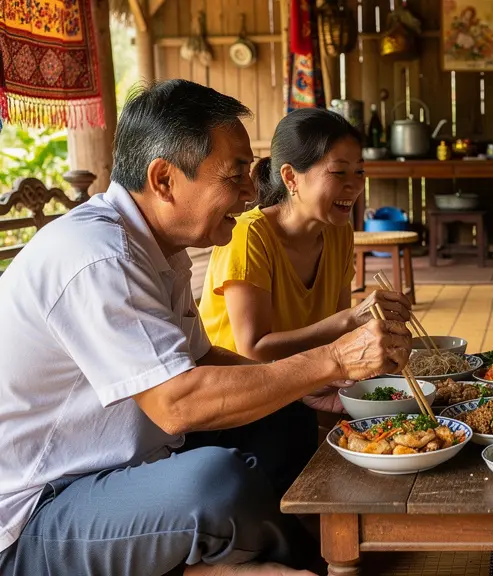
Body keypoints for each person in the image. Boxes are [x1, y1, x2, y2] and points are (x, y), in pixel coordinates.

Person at [0, 80, 411, 576]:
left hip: (125, 471)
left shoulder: (155, 251)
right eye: (235, 174)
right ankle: (297, 560)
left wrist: (308, 383)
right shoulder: (98, 256)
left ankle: (262, 552)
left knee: (286, 415)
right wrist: (335, 358)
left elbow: (204, 360)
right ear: (165, 180)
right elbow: (179, 404)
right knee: (215, 483)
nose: (250, 191)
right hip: (36, 514)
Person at [198, 107, 411, 382]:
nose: (355, 185)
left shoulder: (339, 232)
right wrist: (351, 318)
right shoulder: (249, 235)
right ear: (290, 177)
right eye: (338, 173)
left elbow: (340, 336)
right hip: (237, 391)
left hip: (299, 383)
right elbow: (254, 349)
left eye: (360, 171)